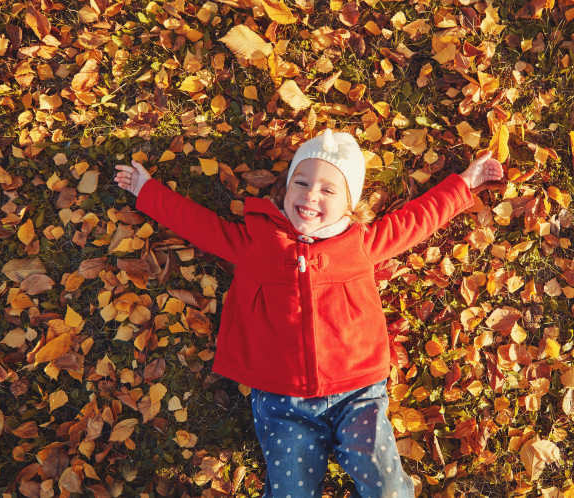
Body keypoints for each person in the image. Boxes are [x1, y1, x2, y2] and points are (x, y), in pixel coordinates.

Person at [114, 129, 503, 498]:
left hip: (357, 394)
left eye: (328, 189)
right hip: (283, 402)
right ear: (285, 189)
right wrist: (146, 190)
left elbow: (418, 219)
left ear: (350, 204)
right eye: (300, 183)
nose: (310, 195)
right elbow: (199, 226)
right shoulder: (257, 242)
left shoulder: (360, 243)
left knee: (385, 483)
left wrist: (466, 182)